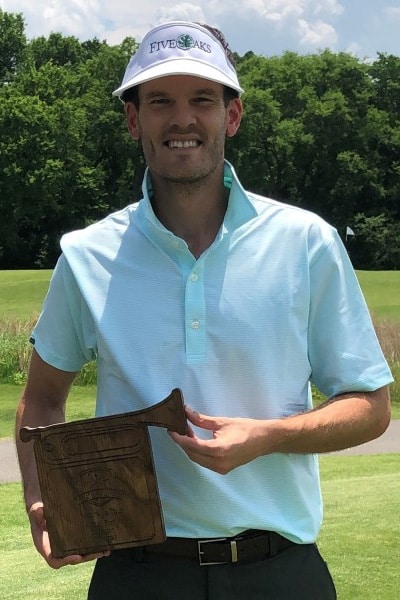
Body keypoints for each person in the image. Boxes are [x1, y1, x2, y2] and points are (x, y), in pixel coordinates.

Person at [15, 20, 393, 600]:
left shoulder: (306, 241)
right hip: (136, 573)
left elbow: (369, 406)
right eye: (160, 100)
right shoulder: (87, 254)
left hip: (280, 570)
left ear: (232, 116)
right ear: (133, 119)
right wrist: (43, 498)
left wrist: (268, 436)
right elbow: (42, 397)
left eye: (203, 100)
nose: (182, 119)